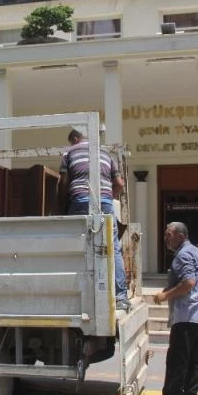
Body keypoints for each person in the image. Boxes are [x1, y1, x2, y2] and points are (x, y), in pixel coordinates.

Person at [58, 129, 130, 311]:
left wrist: (61, 206)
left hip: (80, 200)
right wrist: (108, 198)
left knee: (77, 247)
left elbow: (64, 182)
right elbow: (119, 184)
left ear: (75, 138)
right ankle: (120, 297)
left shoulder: (69, 152)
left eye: (71, 141)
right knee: (113, 248)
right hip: (105, 202)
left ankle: (77, 293)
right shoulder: (106, 153)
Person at [151, 222, 198, 395]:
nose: (165, 238)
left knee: (177, 360)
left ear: (180, 235)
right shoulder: (195, 251)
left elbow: (188, 283)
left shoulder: (183, 255)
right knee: (193, 358)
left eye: (168, 234)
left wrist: (165, 296)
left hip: (187, 315)